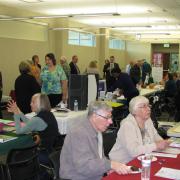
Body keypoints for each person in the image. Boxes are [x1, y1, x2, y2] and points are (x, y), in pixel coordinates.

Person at [60, 101, 131, 180]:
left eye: (110, 117)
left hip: (93, 175)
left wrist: (108, 168)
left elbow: (99, 157)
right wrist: (110, 165)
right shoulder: (79, 133)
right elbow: (84, 166)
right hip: (76, 177)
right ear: (94, 116)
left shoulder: (96, 129)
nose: (111, 121)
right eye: (107, 117)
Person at [7, 93, 60, 180]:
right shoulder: (48, 114)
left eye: (33, 102)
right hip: (54, 151)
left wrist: (16, 114)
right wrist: (18, 111)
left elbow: (19, 131)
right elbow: (30, 123)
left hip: (46, 153)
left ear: (40, 104)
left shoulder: (38, 119)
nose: (30, 104)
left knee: (17, 156)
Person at [109, 96, 170, 164]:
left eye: (148, 105)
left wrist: (162, 142)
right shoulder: (127, 125)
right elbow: (134, 151)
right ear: (134, 110)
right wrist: (156, 145)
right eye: (144, 106)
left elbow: (155, 135)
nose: (149, 109)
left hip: (142, 159)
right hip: (123, 163)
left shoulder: (147, 120)